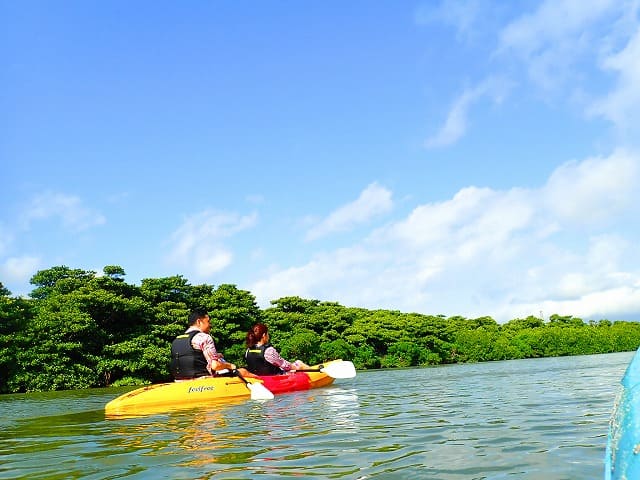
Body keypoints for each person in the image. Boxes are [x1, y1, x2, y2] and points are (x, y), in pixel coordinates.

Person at [170, 308, 238, 380]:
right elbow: (215, 366)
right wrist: (230, 365)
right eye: (208, 322)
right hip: (203, 382)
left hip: (179, 382)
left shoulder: (176, 340)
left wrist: (216, 355)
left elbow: (191, 355)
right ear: (199, 322)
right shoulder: (204, 337)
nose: (210, 325)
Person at [244, 323, 310, 375]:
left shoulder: (248, 350)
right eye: (268, 334)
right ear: (264, 335)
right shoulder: (268, 351)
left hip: (258, 378)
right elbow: (284, 365)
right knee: (299, 362)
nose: (268, 336)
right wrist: (296, 367)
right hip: (275, 378)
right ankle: (314, 374)